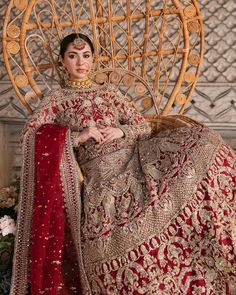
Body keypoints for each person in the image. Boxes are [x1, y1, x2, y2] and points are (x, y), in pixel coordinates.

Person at [10, 33, 236, 295]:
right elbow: (31, 136)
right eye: (73, 56)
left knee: (205, 144)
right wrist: (78, 137)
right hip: (100, 174)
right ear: (62, 61)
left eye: (86, 56)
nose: (81, 63)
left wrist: (121, 132)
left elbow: (141, 125)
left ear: (93, 59)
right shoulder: (55, 100)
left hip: (137, 157)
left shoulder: (110, 93)